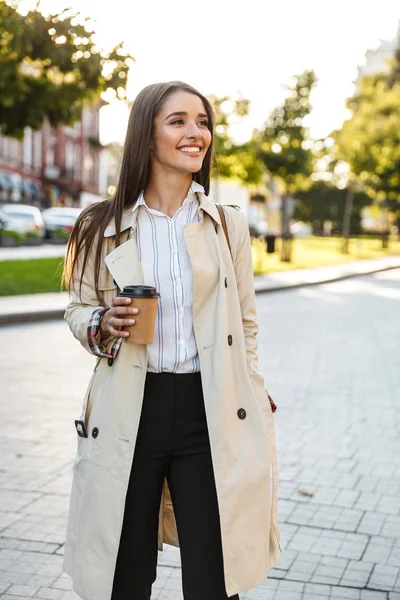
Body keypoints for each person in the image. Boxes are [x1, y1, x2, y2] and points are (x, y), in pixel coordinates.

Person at [62, 80, 281, 600]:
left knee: (213, 574)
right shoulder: (102, 223)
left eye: (203, 122)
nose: (196, 133)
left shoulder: (226, 225)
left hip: (209, 409)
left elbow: (246, 321)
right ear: (147, 134)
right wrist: (100, 323)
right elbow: (76, 308)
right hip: (129, 410)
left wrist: (250, 383)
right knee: (125, 573)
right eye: (178, 121)